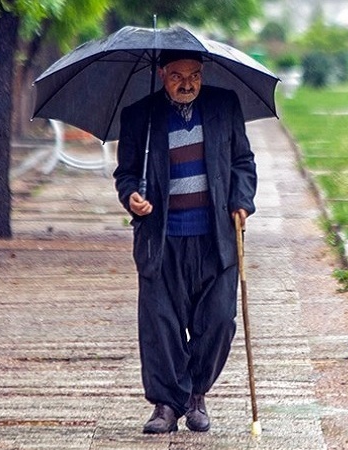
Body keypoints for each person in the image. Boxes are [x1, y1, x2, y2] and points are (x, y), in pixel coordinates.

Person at [112, 49, 257, 434]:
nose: (187, 83)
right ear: (162, 75)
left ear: (203, 73)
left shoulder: (224, 106)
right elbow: (125, 174)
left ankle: (194, 394)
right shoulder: (139, 116)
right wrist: (132, 198)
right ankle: (165, 404)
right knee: (160, 324)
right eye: (178, 75)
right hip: (162, 238)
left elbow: (243, 162)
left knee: (218, 322)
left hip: (216, 238)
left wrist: (242, 201)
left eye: (194, 75)